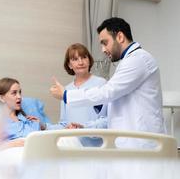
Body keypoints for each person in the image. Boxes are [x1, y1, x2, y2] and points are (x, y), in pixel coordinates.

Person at [50, 17, 166, 148]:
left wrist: (66, 95)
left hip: (141, 143)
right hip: (129, 142)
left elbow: (107, 93)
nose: (103, 49)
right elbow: (112, 104)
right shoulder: (128, 62)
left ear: (120, 37)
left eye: (105, 43)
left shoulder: (138, 60)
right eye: (75, 59)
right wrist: (85, 127)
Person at [0, 77, 79, 148]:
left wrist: (66, 130)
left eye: (20, 92)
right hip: (16, 155)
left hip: (38, 151)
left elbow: (49, 133)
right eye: (14, 93)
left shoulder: (29, 120)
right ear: (2, 98)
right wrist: (11, 144)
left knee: (70, 139)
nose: (19, 97)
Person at [58, 43, 107, 147]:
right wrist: (44, 126)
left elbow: (107, 120)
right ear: (69, 65)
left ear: (89, 60)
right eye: (75, 59)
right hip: (72, 147)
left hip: (97, 148)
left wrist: (84, 128)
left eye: (84, 57)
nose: (81, 62)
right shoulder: (66, 90)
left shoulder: (101, 84)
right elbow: (63, 124)